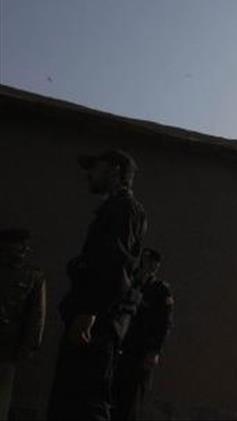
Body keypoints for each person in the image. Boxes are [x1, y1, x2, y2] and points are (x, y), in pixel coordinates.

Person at [47, 149, 147, 420]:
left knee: (87, 401)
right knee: (72, 401)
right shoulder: (114, 208)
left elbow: (115, 264)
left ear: (114, 170)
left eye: (95, 167)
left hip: (99, 321)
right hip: (96, 317)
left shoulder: (123, 209)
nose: (88, 174)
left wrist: (89, 312)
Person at [112, 248, 173, 421]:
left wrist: (154, 351)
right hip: (120, 345)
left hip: (140, 352)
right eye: (147, 261)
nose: (149, 266)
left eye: (153, 263)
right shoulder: (130, 283)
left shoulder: (160, 290)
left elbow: (164, 323)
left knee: (131, 400)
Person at [0, 228, 46, 421]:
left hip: (7, 346)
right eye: (19, 245)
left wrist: (29, 346)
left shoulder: (32, 276)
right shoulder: (32, 276)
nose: (24, 249)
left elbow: (37, 315)